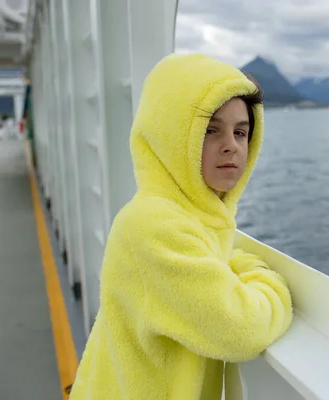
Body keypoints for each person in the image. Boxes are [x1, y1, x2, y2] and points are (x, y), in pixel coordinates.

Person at [69, 53, 293, 400]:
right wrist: (267, 280)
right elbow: (241, 328)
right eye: (210, 130)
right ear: (170, 135)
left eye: (241, 132)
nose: (231, 146)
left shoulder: (191, 216)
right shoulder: (153, 225)